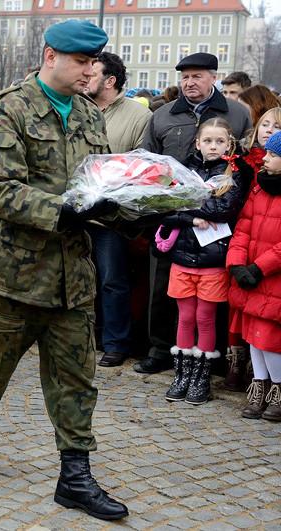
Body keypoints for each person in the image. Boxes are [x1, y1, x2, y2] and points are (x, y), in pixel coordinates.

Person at [0, 20, 128, 521]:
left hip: (73, 273)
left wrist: (140, 205)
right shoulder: (7, 109)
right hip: (14, 273)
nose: (91, 71)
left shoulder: (90, 115)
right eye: (82, 62)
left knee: (76, 376)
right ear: (51, 56)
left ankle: (75, 476)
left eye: (95, 63)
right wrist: (63, 211)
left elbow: (101, 182)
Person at [140, 52, 251, 375]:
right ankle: (161, 349)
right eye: (185, 76)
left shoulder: (237, 113)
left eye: (197, 76)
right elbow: (150, 163)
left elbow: (245, 161)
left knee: (211, 297)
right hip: (174, 219)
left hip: (219, 223)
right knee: (162, 289)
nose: (190, 82)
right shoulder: (162, 116)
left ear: (213, 77)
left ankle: (208, 358)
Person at [157, 118, 252, 405]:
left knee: (205, 318)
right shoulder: (184, 169)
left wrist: (192, 204)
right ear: (197, 142)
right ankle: (182, 373)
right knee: (184, 317)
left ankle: (201, 376)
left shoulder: (234, 170)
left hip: (213, 260)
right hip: (183, 257)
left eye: (219, 141)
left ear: (229, 144)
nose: (213, 146)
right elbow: (167, 206)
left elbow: (224, 209)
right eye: (207, 140)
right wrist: (191, 216)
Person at [84, 51, 152, 367]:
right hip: (75, 212)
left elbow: (142, 170)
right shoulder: (77, 109)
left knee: (112, 280)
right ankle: (83, 338)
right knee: (78, 279)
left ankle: (115, 342)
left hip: (111, 218)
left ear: (110, 80)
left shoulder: (139, 118)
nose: (85, 76)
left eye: (92, 72)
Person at [228, 131, 281, 421]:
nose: (266, 158)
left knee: (270, 339)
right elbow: (243, 226)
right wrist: (236, 263)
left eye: (273, 155)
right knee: (253, 337)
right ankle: (258, 386)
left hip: (272, 278)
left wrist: (260, 267)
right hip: (250, 274)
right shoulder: (260, 187)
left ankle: (278, 388)